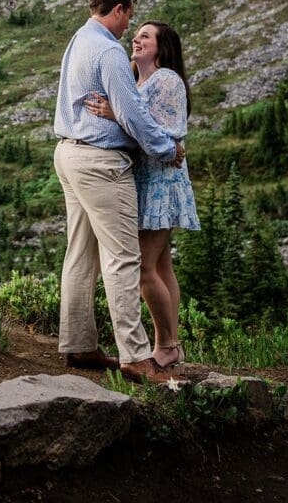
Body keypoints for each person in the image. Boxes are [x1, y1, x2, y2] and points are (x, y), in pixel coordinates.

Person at [53, 0, 185, 385]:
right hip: (102, 164)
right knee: (123, 259)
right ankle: (134, 355)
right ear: (121, 8)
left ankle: (77, 343)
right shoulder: (109, 52)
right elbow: (135, 117)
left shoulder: (79, 40)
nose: (129, 29)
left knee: (80, 253)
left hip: (69, 152)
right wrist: (168, 149)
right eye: (130, 17)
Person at [85, 21, 199, 371]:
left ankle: (167, 344)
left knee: (141, 269)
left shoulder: (166, 80)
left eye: (145, 36)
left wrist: (113, 112)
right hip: (148, 181)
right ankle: (170, 344)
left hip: (161, 183)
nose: (136, 39)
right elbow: (142, 126)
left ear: (161, 48)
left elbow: (163, 132)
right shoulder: (139, 81)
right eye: (138, 34)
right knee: (161, 267)